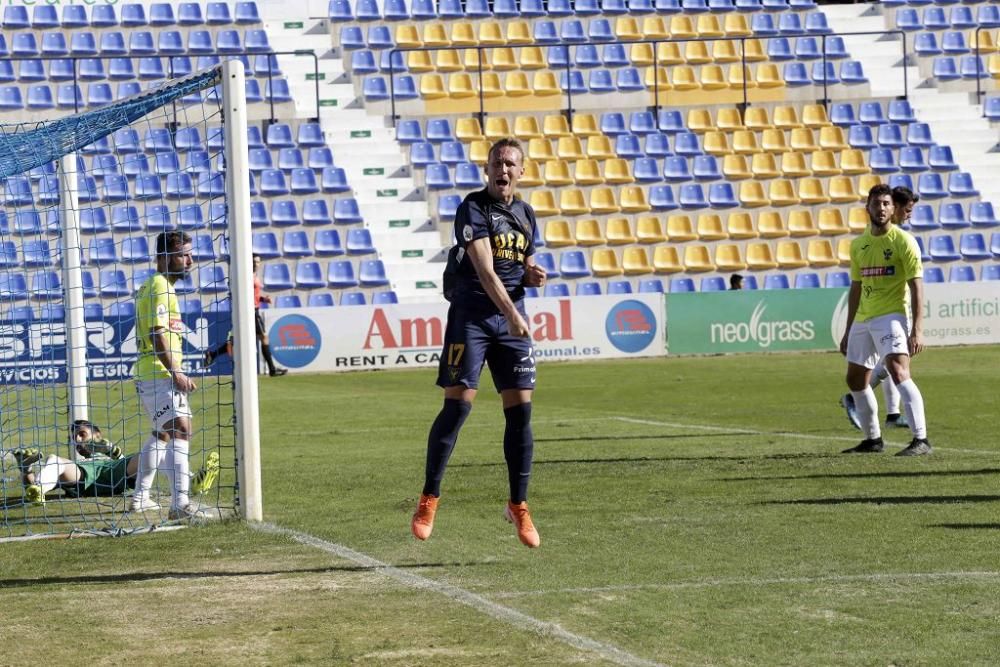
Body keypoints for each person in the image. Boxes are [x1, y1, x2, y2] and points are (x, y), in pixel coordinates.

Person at [410, 138, 547, 548]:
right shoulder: (472, 208)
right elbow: (486, 271)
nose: (503, 170)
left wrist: (531, 276)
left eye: (510, 164)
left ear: (521, 171)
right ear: (486, 170)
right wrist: (512, 313)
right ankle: (429, 497)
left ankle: (518, 505)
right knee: (457, 407)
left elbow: (517, 267)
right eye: (497, 163)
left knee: (521, 413)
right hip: (472, 318)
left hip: (510, 319)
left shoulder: (525, 214)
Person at [839, 184, 931, 456]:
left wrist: (917, 330)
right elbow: (855, 287)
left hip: (891, 315)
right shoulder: (859, 245)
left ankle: (921, 440)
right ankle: (873, 440)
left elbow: (917, 286)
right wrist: (847, 329)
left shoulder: (904, 241)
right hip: (863, 319)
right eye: (876, 203)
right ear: (867, 207)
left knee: (898, 371)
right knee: (855, 379)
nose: (881, 208)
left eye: (886, 204)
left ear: (893, 209)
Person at [131, 231, 207, 519]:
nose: (189, 260)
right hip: (158, 373)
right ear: (162, 258)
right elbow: (157, 333)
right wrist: (175, 371)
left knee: (162, 434)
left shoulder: (158, 286)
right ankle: (180, 504)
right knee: (181, 430)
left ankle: (140, 497)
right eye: (182, 255)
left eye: (189, 253)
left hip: (150, 373)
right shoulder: (160, 286)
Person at [12, 420, 219, 506]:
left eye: (82, 434)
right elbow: (33, 481)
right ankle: (39, 490)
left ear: (97, 434)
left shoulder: (111, 451)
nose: (78, 440)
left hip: (117, 472)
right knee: (53, 460)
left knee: (155, 450)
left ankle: (192, 483)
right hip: (84, 477)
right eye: (75, 437)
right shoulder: (76, 464)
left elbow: (122, 460)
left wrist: (110, 450)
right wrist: (26, 470)